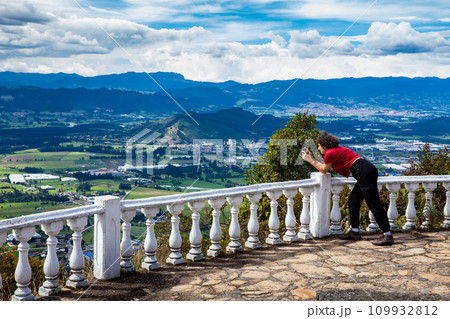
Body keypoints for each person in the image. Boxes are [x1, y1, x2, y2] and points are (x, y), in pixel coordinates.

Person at [301, 131, 394, 246]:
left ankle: (387, 235)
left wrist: (310, 160)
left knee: (373, 204)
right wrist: (312, 158)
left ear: (325, 146)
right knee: (353, 201)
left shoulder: (330, 153)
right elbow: (325, 165)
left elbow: (323, 169)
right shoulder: (336, 150)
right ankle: (355, 231)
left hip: (363, 172)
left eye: (319, 146)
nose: (319, 149)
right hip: (365, 170)